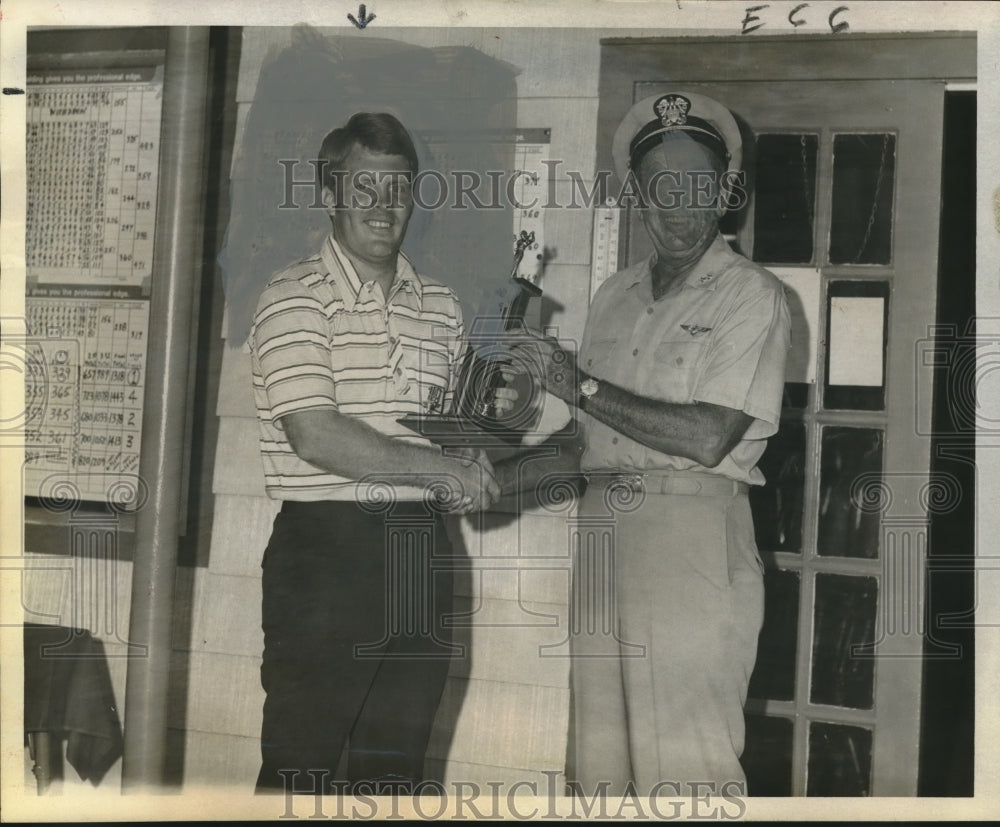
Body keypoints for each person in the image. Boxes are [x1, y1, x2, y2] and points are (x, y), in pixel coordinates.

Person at [502, 91, 791, 796]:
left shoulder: (751, 295)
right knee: (599, 775)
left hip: (689, 545)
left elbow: (707, 433)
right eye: (661, 188)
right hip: (603, 541)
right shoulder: (612, 296)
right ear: (638, 194)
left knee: (687, 775)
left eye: (697, 187)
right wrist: (490, 478)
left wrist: (581, 386)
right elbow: (586, 439)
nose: (679, 207)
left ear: (724, 193)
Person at [248, 112, 513, 794]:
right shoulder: (291, 297)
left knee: (394, 779)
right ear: (329, 193)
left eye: (397, 187)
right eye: (363, 187)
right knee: (298, 771)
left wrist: (501, 414)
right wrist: (445, 469)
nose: (381, 205)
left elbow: (458, 437)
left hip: (421, 550)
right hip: (326, 556)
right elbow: (316, 432)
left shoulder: (442, 306)